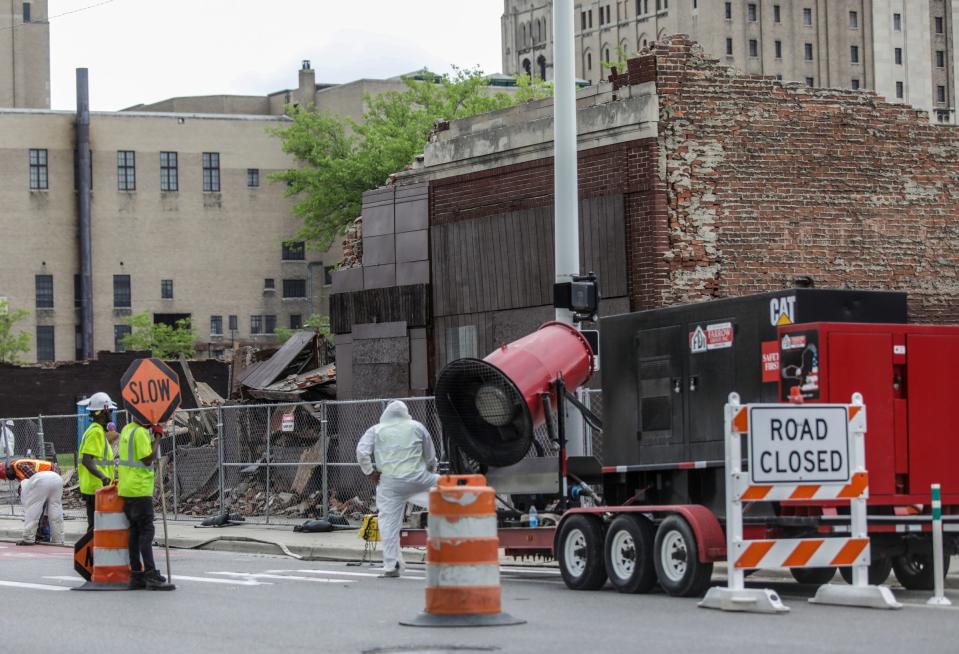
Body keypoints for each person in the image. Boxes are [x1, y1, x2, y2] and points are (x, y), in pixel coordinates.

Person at [356, 400, 439, 578]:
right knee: (446, 497)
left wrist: (370, 472)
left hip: (390, 483)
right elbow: (431, 457)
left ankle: (391, 565)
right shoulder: (417, 427)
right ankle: (444, 551)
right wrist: (430, 472)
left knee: (388, 523)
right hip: (418, 478)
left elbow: (361, 451)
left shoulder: (376, 430)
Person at [117, 419, 173, 590]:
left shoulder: (127, 429)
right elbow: (148, 459)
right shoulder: (141, 432)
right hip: (139, 488)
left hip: (126, 488)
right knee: (146, 531)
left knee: (134, 532)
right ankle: (150, 574)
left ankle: (136, 575)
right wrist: (157, 436)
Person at [77, 392, 120, 532]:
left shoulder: (97, 432)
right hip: (96, 487)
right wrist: (103, 477)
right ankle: (92, 553)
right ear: (104, 411)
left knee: (98, 527)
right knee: (96, 527)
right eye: (110, 411)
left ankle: (95, 552)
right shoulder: (95, 432)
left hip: (98, 487)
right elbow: (86, 460)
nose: (111, 414)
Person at [0, 457, 64, 546]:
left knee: (32, 511)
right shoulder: (19, 467)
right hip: (56, 478)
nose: (7, 478)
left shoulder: (18, 465)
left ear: (7, 470)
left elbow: (34, 478)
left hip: (45, 477)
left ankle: (28, 538)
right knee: (55, 509)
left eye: (5, 476)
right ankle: (58, 540)